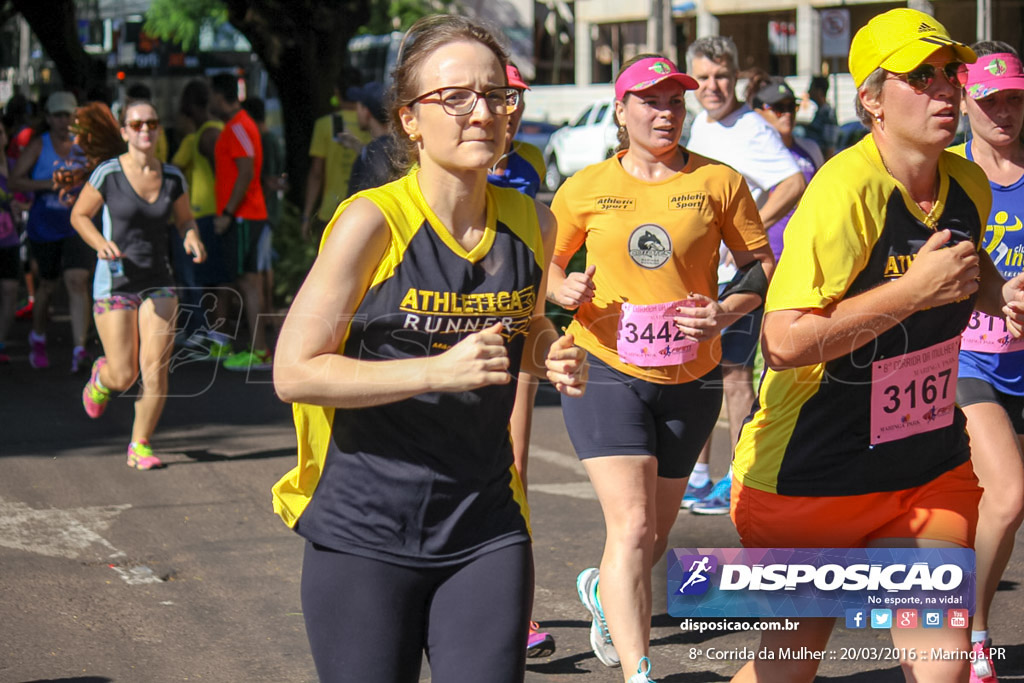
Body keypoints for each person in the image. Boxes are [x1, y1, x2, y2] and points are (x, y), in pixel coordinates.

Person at [271, 15, 587, 683]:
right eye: (455, 97)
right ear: (410, 120)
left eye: (496, 95)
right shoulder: (372, 221)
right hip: (364, 532)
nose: (482, 112)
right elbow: (293, 370)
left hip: (485, 526)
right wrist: (435, 369)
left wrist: (550, 351)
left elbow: (522, 328)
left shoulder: (533, 221)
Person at [729, 10, 1024, 682]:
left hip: (925, 466)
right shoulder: (844, 190)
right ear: (871, 99)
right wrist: (914, 292)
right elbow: (782, 341)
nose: (946, 88)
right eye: (921, 76)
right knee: (789, 662)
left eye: (951, 73)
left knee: (944, 665)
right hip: (810, 472)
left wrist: (1000, 296)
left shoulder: (968, 185)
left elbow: (967, 273)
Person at [549, 54, 773, 683]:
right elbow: (548, 261)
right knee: (634, 522)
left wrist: (725, 312)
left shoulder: (718, 182)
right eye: (649, 101)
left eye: (675, 101)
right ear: (621, 111)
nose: (665, 112)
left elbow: (758, 264)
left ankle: (602, 591)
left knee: (653, 540)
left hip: (690, 375)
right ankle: (639, 671)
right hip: (605, 367)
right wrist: (561, 289)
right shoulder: (585, 186)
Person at [682, 37, 806, 514]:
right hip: (704, 271)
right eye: (705, 77)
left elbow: (793, 181)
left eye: (721, 76)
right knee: (697, 370)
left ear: (735, 77)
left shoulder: (751, 127)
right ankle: (696, 476)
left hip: (740, 274)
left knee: (733, 374)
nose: (713, 86)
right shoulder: (704, 125)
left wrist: (744, 236)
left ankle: (738, 477)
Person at [68, 100, 205, 470]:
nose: (146, 129)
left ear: (159, 130)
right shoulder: (108, 174)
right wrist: (100, 243)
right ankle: (102, 378)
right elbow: (79, 215)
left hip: (158, 282)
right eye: (137, 124)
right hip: (115, 282)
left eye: (152, 123)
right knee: (124, 373)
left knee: (156, 367)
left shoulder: (173, 177)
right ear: (126, 131)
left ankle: (139, 444)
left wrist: (190, 236)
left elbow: (185, 220)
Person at [948, 42, 1024, 683]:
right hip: (966, 360)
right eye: (990, 97)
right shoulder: (949, 177)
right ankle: (973, 631)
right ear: (966, 99)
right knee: (1008, 492)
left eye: (1014, 98)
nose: (1003, 110)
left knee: (990, 505)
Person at [486, 62, 555, 659]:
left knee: (514, 469)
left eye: (515, 97)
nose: (510, 108)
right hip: (445, 328)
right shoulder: (461, 153)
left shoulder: (531, 160)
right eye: (499, 96)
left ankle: (521, 614)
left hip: (517, 328)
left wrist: (554, 291)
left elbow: (547, 244)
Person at [10, 91, 94, 372]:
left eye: (67, 115)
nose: (63, 121)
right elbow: (15, 182)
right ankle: (39, 337)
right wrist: (48, 184)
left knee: (77, 281)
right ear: (48, 118)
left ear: (76, 117)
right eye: (57, 115)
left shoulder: (85, 147)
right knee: (47, 287)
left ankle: (80, 349)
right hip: (44, 227)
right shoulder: (38, 146)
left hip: (77, 226)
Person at [209, 73, 273, 371]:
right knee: (247, 282)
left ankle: (259, 350)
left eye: (212, 97)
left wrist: (228, 214)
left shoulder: (239, 127)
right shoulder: (238, 126)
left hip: (244, 216)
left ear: (221, 97)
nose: (210, 102)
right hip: (243, 215)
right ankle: (250, 348)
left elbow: (247, 172)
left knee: (249, 282)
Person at [170, 79, 231, 355]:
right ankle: (206, 332)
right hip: (208, 212)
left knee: (197, 276)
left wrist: (224, 210)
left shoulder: (207, 134)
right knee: (208, 276)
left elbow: (223, 174)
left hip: (204, 213)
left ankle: (203, 333)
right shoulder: (214, 130)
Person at [745, 71, 823, 261]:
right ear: (758, 112)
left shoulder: (810, 149)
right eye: (779, 108)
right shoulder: (747, 154)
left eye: (791, 107)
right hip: (765, 258)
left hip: (805, 256)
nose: (787, 114)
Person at [300, 76, 362, 244]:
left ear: (337, 93)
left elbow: (316, 173)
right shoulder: (371, 121)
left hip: (331, 209)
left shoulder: (325, 124)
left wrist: (307, 216)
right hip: (365, 209)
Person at [0, 120, 27, 363]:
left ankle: (1, 342)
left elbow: (29, 199)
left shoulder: (13, 168)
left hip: (9, 240)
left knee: (9, 291)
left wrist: (21, 206)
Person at [345, 81, 399, 196]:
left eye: (358, 106)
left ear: (366, 112)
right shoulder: (398, 146)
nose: (356, 112)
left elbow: (366, 197)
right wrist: (360, 149)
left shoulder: (376, 153)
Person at [804, 75, 839, 158]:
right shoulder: (820, 113)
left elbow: (830, 147)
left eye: (811, 88)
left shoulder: (828, 115)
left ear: (819, 92)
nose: (808, 92)